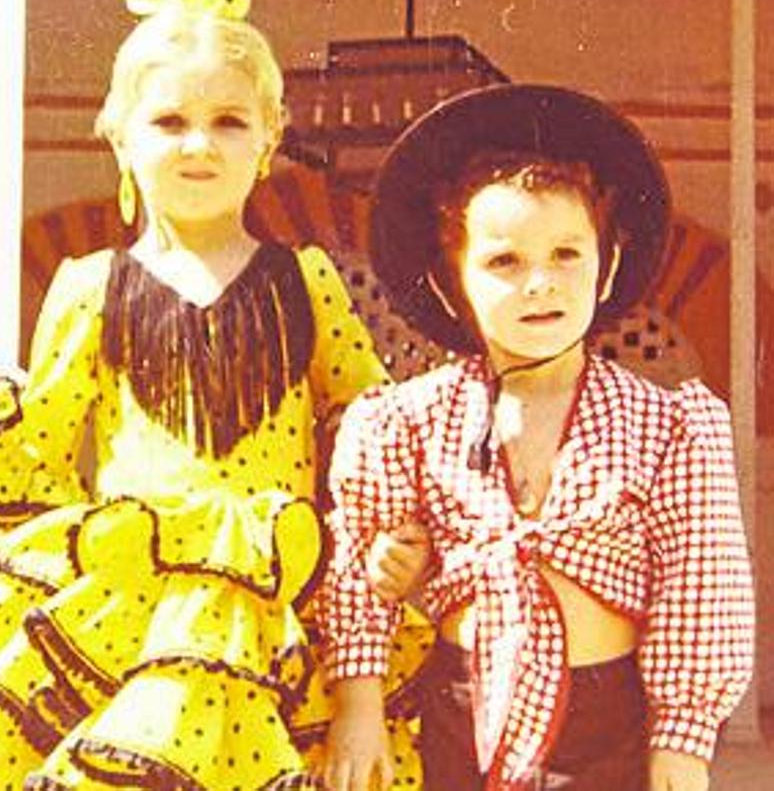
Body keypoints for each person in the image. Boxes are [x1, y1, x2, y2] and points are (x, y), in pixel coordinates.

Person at [0, 0, 430, 789]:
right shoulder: (89, 285)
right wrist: (77, 547)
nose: (199, 145)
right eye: (170, 123)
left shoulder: (309, 280)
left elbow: (371, 435)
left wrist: (383, 538)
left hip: (279, 599)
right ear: (121, 138)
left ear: (270, 138)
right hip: (137, 599)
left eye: (228, 122)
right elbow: (45, 453)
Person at [318, 83, 755, 791]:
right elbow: (361, 572)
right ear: (455, 282)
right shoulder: (407, 420)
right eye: (504, 262)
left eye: (565, 255)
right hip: (461, 710)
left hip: (607, 723)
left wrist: (683, 739)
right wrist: (361, 703)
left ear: (605, 264)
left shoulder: (669, 424)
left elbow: (701, 590)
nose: (539, 285)